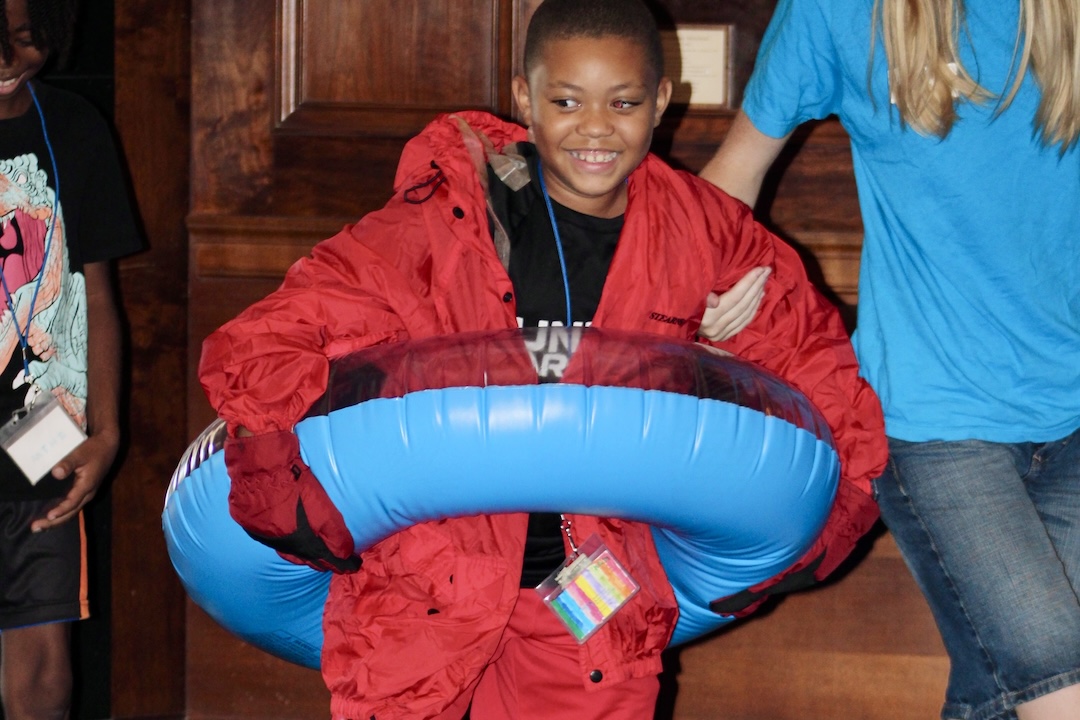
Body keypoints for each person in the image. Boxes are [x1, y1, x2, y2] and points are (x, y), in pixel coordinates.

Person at [198, 0, 887, 717]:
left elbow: (819, 367)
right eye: (567, 101)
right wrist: (275, 477)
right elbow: (269, 336)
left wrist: (823, 524)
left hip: (590, 587)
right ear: (526, 100)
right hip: (433, 576)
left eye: (623, 102)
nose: (595, 127)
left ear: (660, 103)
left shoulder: (703, 235)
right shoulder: (444, 225)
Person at [699, 1, 1080, 718]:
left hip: (1073, 416)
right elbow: (731, 177)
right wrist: (702, 280)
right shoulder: (836, 13)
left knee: (992, 696)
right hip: (934, 424)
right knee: (1058, 689)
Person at [0, 0, 141, 718]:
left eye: (24, 42)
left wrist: (108, 432)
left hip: (39, 440)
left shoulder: (76, 129)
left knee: (42, 666)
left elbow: (99, 295)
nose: (5, 62)